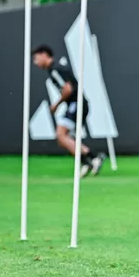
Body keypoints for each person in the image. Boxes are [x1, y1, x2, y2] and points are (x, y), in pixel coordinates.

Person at [32, 44, 105, 177]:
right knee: (65, 138)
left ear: (44, 54)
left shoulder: (55, 69)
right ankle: (88, 159)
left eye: (36, 58)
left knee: (61, 134)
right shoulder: (54, 69)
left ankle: (91, 158)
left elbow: (68, 89)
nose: (35, 63)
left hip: (76, 104)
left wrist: (56, 105)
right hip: (75, 104)